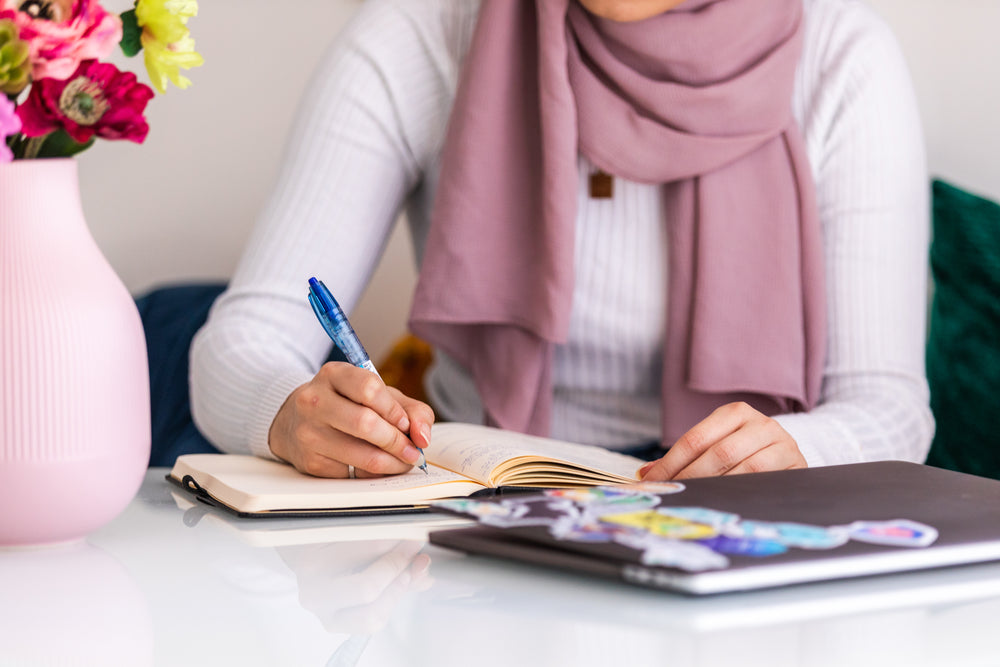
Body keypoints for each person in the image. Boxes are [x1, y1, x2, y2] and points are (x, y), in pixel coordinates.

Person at [189, 0, 933, 481]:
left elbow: (890, 406)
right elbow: (243, 339)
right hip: (477, 515)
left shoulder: (843, 57)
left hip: (736, 537)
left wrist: (802, 449)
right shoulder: (427, 33)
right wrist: (284, 412)